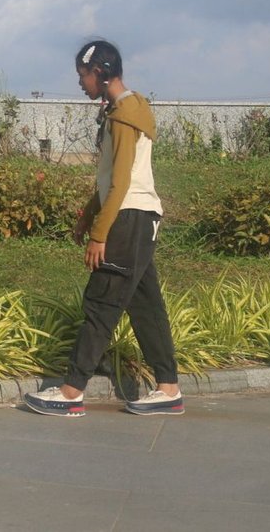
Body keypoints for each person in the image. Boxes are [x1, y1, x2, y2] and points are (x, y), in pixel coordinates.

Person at [25, 40, 183, 417]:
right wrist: (86, 215)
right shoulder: (124, 109)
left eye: (83, 76)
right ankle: (169, 389)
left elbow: (122, 181)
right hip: (140, 218)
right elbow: (110, 177)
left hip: (128, 219)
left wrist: (99, 234)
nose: (81, 83)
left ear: (101, 72)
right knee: (146, 307)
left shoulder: (125, 115)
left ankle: (70, 392)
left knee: (101, 303)